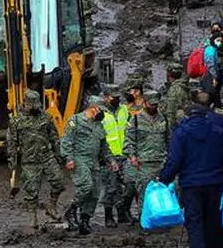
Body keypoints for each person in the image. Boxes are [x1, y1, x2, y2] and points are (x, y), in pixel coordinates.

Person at [158, 91, 223, 248]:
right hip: (216, 183)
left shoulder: (181, 132)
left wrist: (164, 178)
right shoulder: (218, 131)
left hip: (191, 185)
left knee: (194, 221)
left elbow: (174, 159)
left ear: (188, 114)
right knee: (214, 220)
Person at [7, 90, 66, 226]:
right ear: (25, 104)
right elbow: (11, 143)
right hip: (29, 160)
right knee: (31, 190)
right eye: (31, 105)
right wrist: (13, 162)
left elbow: (54, 137)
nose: (34, 108)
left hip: (47, 156)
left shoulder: (46, 118)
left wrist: (59, 154)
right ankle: (32, 216)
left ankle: (52, 206)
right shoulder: (16, 121)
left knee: (59, 181)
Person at [61, 96, 117, 236]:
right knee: (86, 185)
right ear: (93, 108)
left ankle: (85, 220)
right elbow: (67, 140)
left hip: (94, 161)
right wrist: (69, 158)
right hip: (80, 159)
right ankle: (71, 210)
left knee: (95, 192)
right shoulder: (76, 121)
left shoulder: (99, 124)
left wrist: (111, 160)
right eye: (100, 109)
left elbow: (104, 147)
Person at [124, 90, 169, 222]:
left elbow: (169, 139)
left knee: (163, 193)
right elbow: (129, 140)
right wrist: (132, 157)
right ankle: (145, 221)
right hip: (144, 163)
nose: (154, 107)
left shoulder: (163, 118)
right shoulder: (136, 119)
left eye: (156, 105)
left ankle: (162, 219)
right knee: (144, 193)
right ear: (144, 103)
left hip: (161, 161)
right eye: (151, 104)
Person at [99, 87, 131, 227]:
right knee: (111, 187)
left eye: (118, 97)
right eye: (114, 97)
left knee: (130, 184)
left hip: (124, 154)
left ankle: (123, 212)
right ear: (106, 97)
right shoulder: (100, 113)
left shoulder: (124, 110)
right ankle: (108, 216)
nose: (117, 100)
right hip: (108, 156)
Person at [163, 62, 191, 129]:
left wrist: (168, 127)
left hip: (177, 123)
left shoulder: (174, 89)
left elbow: (170, 110)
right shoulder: (185, 84)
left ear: (169, 74)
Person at [201, 31, 223, 109]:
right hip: (209, 75)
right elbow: (210, 65)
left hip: (209, 74)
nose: (220, 43)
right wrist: (214, 78)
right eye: (218, 41)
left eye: (221, 41)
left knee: (213, 94)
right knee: (211, 94)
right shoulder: (210, 50)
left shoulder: (212, 49)